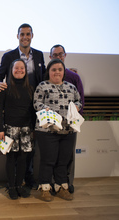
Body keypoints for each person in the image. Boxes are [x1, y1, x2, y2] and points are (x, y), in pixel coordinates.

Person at [0, 23, 46, 189]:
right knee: (12, 153)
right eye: (22, 34)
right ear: (18, 36)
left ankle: (27, 178)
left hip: (32, 105)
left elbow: (42, 77)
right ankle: (13, 182)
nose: (25, 37)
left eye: (28, 34)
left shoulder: (38, 55)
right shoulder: (9, 56)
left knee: (28, 149)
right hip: (13, 105)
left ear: (32, 35)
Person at [33, 59, 82, 202]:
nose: (57, 72)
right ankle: (45, 188)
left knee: (63, 160)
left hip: (68, 130)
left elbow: (79, 101)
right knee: (48, 160)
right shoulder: (42, 86)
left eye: (60, 69)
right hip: (47, 130)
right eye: (54, 69)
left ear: (63, 72)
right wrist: (45, 109)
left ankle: (61, 187)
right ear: (49, 71)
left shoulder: (71, 87)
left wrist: (77, 107)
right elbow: (36, 103)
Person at [0, 59, 35, 200]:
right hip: (9, 129)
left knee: (23, 159)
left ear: (26, 70)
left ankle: (19, 185)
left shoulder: (31, 88)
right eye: (16, 68)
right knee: (11, 159)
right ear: (11, 71)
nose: (19, 70)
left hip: (26, 129)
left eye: (22, 68)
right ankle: (11, 186)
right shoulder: (4, 88)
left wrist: (33, 129)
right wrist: (0, 129)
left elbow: (32, 111)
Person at [49, 44, 85, 194]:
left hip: (70, 125)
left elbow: (80, 100)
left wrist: (75, 119)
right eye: (55, 55)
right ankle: (52, 183)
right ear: (50, 57)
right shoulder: (48, 74)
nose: (58, 57)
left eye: (60, 54)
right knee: (51, 155)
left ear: (65, 55)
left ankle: (67, 182)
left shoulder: (74, 77)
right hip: (51, 125)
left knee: (68, 156)